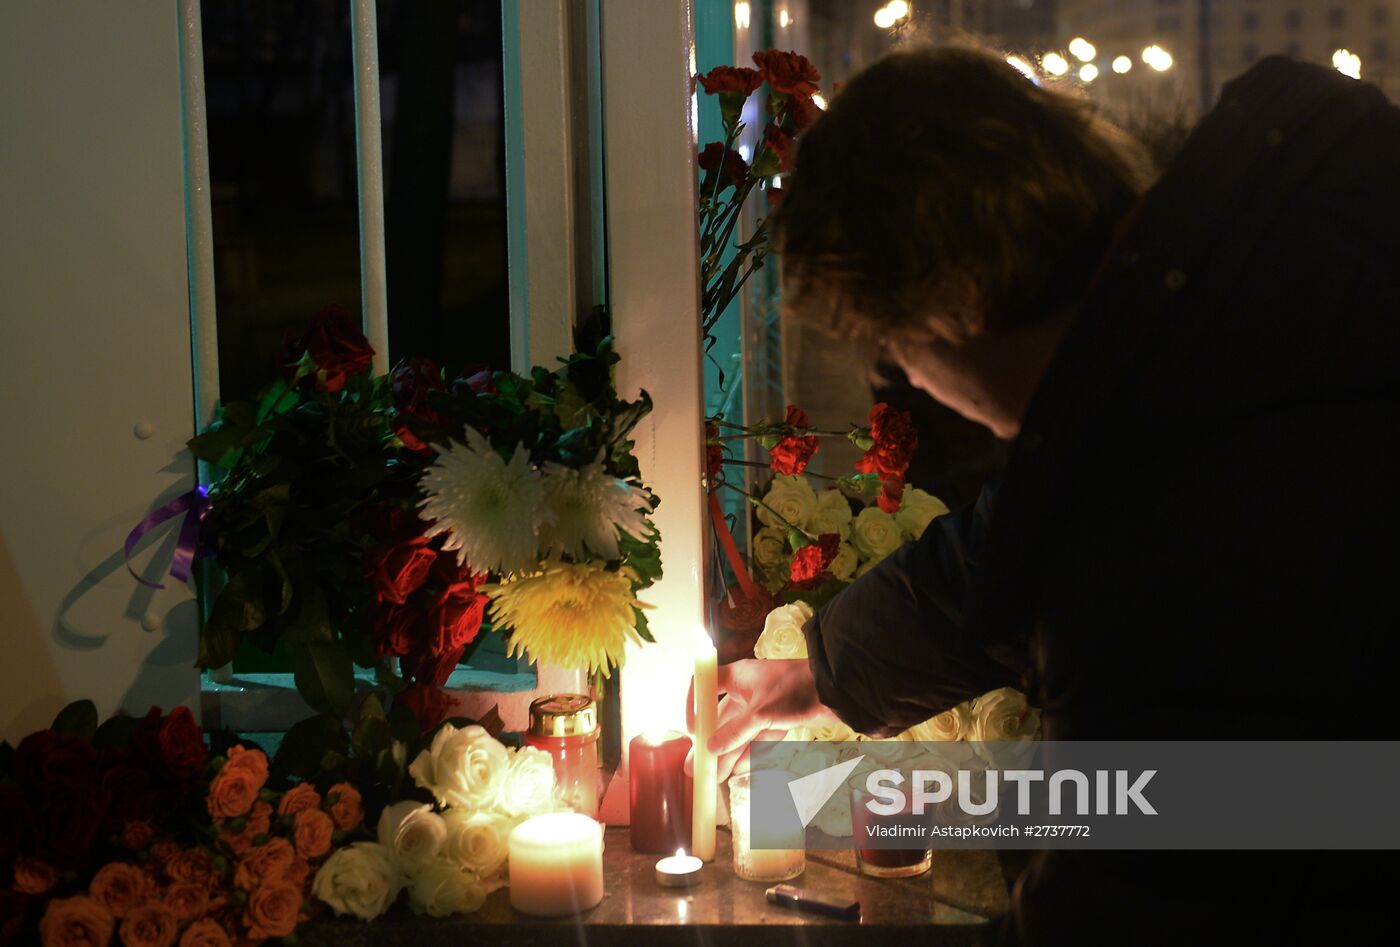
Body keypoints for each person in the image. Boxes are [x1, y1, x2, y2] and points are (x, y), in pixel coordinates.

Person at [698, 46, 1400, 944]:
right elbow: (1018, 531)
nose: (907, 377)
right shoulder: (1269, 242)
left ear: (955, 303)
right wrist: (825, 672)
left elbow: (1133, 890)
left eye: (893, 346)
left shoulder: (1155, 541)